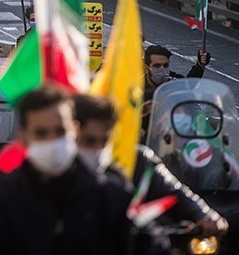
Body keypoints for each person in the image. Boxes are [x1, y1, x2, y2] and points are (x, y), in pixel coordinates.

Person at [0, 87, 170, 255]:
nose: (52, 140)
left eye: (59, 131)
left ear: (74, 131)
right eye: (41, 133)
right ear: (24, 137)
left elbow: (151, 246)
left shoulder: (109, 196)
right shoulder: (1, 199)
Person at [73, 94, 229, 240]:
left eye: (105, 141)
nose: (98, 150)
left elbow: (175, 192)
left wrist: (206, 216)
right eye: (89, 141)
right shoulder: (55, 177)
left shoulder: (138, 160)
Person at [142, 45, 210, 132]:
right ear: (147, 67)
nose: (162, 69)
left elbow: (188, 84)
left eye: (165, 65)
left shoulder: (173, 81)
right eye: (157, 66)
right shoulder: (137, 86)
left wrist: (199, 66)